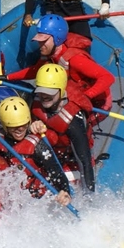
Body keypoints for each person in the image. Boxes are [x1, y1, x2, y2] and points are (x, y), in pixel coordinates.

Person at [2, 14, 115, 117]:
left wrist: (87, 96)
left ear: (57, 38)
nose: (40, 44)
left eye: (44, 40)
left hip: (97, 103)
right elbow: (35, 71)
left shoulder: (75, 59)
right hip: (73, 94)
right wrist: (8, 77)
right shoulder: (49, 54)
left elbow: (107, 77)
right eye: (39, 40)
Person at [0, 96, 72, 206]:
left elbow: (57, 173)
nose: (20, 129)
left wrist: (65, 192)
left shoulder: (37, 145)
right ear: (5, 125)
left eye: (23, 124)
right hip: (10, 197)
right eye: (13, 126)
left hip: (36, 200)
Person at [28, 64, 96, 192]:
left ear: (61, 90)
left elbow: (84, 161)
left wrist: (89, 197)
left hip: (70, 161)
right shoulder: (35, 98)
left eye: (49, 92)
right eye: (41, 91)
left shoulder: (73, 120)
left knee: (44, 188)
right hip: (48, 154)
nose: (44, 96)